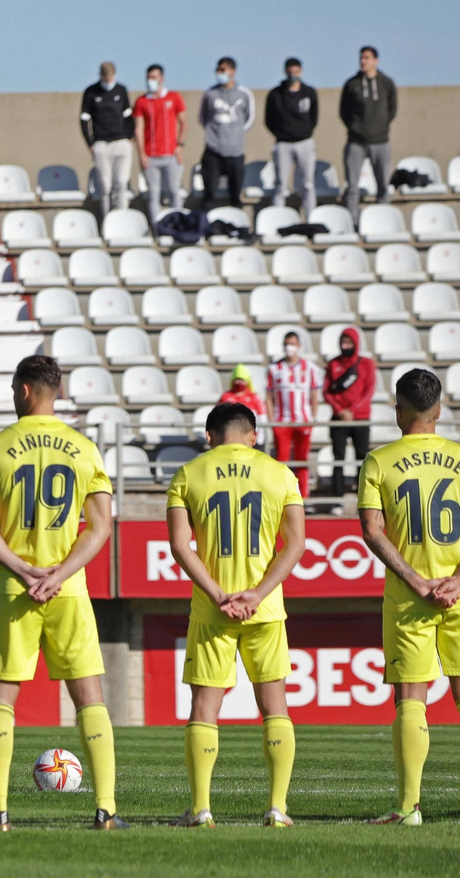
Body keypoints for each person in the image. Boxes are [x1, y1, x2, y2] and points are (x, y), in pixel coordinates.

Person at [0, 354, 124, 831]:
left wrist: (22, 568)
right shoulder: (85, 449)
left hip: (13, 588)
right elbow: (100, 527)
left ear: (24, 390)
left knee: (1, 696)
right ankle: (106, 810)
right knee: (89, 698)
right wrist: (57, 574)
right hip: (68, 589)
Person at [165, 402, 306, 828]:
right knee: (274, 705)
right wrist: (257, 594)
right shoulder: (280, 473)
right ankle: (278, 808)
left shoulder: (188, 474)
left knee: (205, 707)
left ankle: (201, 809)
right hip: (265, 609)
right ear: (253, 434)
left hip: (212, 610)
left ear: (208, 437)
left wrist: (220, 595)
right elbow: (295, 543)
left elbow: (179, 546)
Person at [357, 368, 460, 826]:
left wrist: (417, 581)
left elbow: (371, 530)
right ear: (439, 410)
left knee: (411, 699)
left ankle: (409, 807)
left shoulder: (379, 461)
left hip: (411, 600)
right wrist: (458, 579)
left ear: (398, 410)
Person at [341, 46, 397, 222]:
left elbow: (392, 109)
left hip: (380, 141)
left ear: (375, 60)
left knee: (382, 186)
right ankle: (353, 222)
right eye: (361, 58)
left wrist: (380, 127)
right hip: (356, 142)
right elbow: (344, 111)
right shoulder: (352, 84)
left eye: (367, 58)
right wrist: (356, 128)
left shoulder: (386, 83)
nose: (363, 61)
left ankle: (383, 221)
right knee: (352, 187)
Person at [266, 330, 322, 497]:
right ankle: (281, 495)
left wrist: (312, 417)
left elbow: (314, 396)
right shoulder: (274, 368)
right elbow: (268, 397)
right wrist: (271, 420)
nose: (290, 347)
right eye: (287, 344)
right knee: (282, 460)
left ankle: (303, 497)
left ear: (299, 346)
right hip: (281, 422)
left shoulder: (310, 368)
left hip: (303, 421)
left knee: (302, 460)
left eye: (292, 344)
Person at [131, 64, 188, 226]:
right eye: (149, 78)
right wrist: (142, 153)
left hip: (171, 155)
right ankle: (158, 227)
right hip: (151, 157)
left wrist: (180, 146)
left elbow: (184, 122)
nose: (151, 81)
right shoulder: (141, 102)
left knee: (174, 192)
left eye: (154, 77)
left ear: (162, 79)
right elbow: (139, 128)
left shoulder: (174, 97)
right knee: (153, 194)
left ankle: (178, 225)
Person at [197, 57, 255, 209]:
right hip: (213, 151)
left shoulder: (244, 93)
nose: (219, 73)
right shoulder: (210, 93)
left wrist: (233, 135)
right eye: (218, 70)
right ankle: (207, 228)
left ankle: (237, 227)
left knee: (235, 197)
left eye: (223, 70)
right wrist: (215, 137)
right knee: (209, 196)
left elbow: (249, 120)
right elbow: (203, 118)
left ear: (232, 71)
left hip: (235, 152)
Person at [324, 327, 375, 495]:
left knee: (362, 457)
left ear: (355, 343)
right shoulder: (333, 364)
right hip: (339, 418)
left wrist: (352, 410)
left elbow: (368, 391)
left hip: (360, 418)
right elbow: (326, 391)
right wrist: (340, 410)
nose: (345, 346)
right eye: (342, 342)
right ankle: (337, 497)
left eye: (348, 342)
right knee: (338, 457)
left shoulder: (366, 364)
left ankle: (364, 496)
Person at [265, 58, 320, 217]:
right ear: (285, 72)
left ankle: (312, 220)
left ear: (301, 71)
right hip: (283, 144)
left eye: (295, 72)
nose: (292, 75)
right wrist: (281, 134)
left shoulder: (309, 93)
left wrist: (304, 132)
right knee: (281, 185)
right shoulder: (276, 94)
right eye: (290, 72)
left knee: (307, 185)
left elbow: (314, 117)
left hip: (305, 142)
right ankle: (277, 221)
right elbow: (269, 120)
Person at [80, 62, 134, 220]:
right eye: (106, 77)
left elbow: (129, 116)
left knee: (121, 184)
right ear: (101, 76)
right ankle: (108, 221)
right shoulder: (91, 92)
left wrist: (129, 137)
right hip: (101, 144)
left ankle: (123, 221)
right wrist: (90, 142)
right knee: (105, 186)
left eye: (111, 77)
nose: (109, 80)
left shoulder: (121, 90)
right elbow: (84, 119)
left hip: (121, 143)